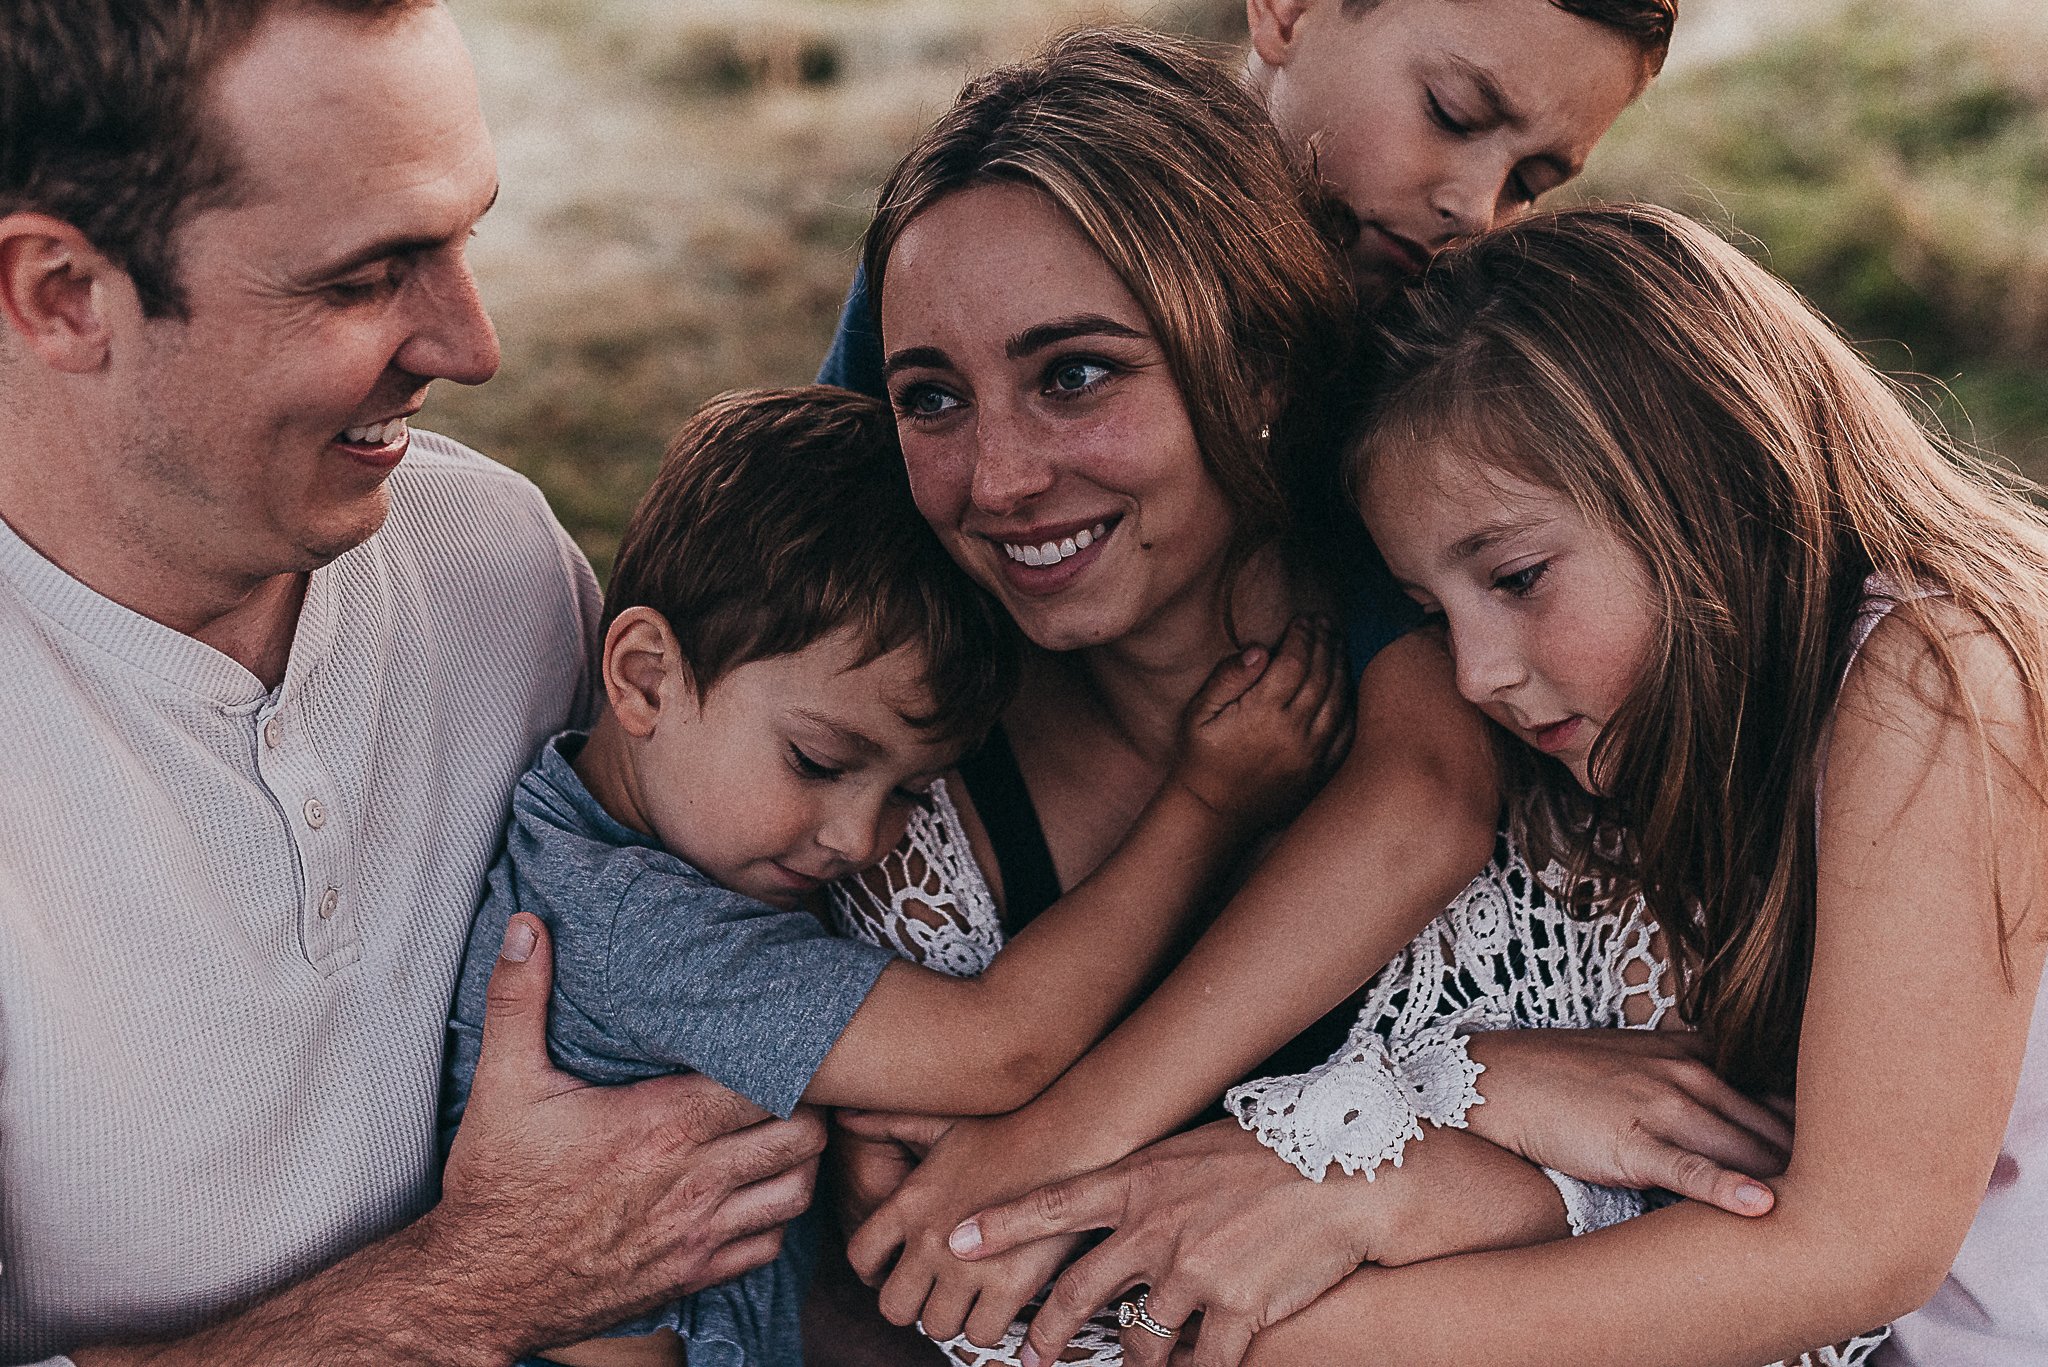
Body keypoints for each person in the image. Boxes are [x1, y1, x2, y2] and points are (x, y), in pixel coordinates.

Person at [797, 27, 1797, 1367]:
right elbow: (927, 1298)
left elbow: (1792, 1265)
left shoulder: (1552, 723)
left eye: (1075, 374)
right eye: (930, 397)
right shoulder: (879, 813)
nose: (999, 478)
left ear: (1266, 369)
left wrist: (1426, 1128)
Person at [951, 204, 2048, 1366]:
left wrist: (1277, 1341)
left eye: (1515, 576)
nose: (1476, 672)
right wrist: (1457, 1096)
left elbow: (1853, 1246)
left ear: (1713, 483)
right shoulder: (1673, 747)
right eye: (1428, 612)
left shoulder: (1935, 679)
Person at [0, 3, 825, 1362]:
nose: (472, 344)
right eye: (367, 277)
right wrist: (471, 1288)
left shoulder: (496, 561)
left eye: (464, 240)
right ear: (63, 293)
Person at [438, 385, 1345, 1367]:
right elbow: (1001, 1046)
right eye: (819, 760)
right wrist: (1206, 804)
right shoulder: (636, 929)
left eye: (911, 790)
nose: (857, 835)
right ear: (645, 675)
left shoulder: (596, 836)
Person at [817, 0, 1668, 397]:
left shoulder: (1431, 365)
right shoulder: (998, 225)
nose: (1477, 210)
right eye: (1453, 113)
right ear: (1289, 11)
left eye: (1529, 184)